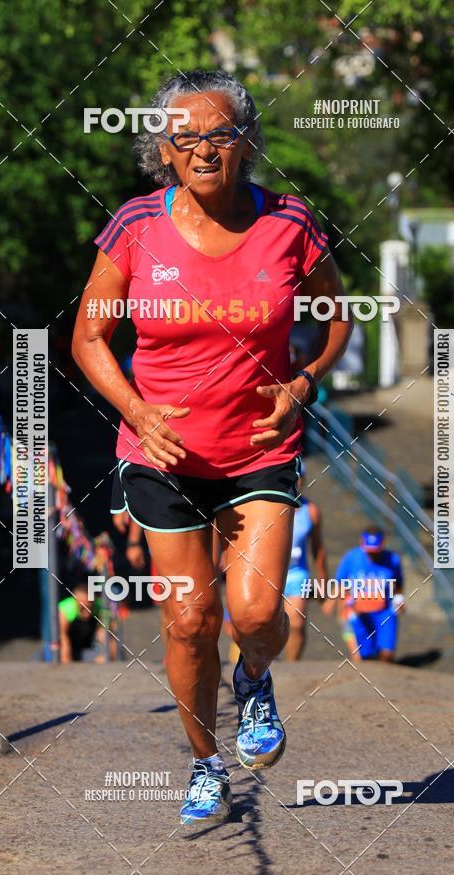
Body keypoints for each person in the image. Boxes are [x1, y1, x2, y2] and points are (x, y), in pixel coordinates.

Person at [72, 69, 352, 825]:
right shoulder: (135, 228)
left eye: (220, 133)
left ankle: (254, 676)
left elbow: (335, 317)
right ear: (163, 149)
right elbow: (88, 337)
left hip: (258, 447)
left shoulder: (290, 223)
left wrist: (308, 380)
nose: (203, 148)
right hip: (162, 456)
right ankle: (205, 765)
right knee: (189, 620)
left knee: (259, 614)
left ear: (247, 144)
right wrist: (136, 407)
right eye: (185, 135)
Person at [335, 526, 404, 662]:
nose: (371, 554)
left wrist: (399, 598)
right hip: (359, 612)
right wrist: (340, 609)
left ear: (383, 544)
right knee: (364, 656)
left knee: (387, 653)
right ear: (361, 543)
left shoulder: (392, 560)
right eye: (369, 550)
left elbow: (399, 584)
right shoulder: (352, 558)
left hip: (384, 611)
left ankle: (384, 679)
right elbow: (341, 584)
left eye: (375, 551)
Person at [283, 463, 327, 661]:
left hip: (296, 574)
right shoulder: (269, 508)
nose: (296, 480)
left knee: (297, 624)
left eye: (299, 476)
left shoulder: (311, 511)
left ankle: (292, 667)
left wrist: (323, 582)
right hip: (266, 573)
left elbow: (318, 549)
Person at [58, 581, 114, 662]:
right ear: (75, 601)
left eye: (90, 605)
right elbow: (62, 637)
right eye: (82, 607)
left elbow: (109, 637)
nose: (86, 610)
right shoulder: (66, 608)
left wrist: (108, 658)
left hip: (86, 650)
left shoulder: (100, 606)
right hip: (63, 649)